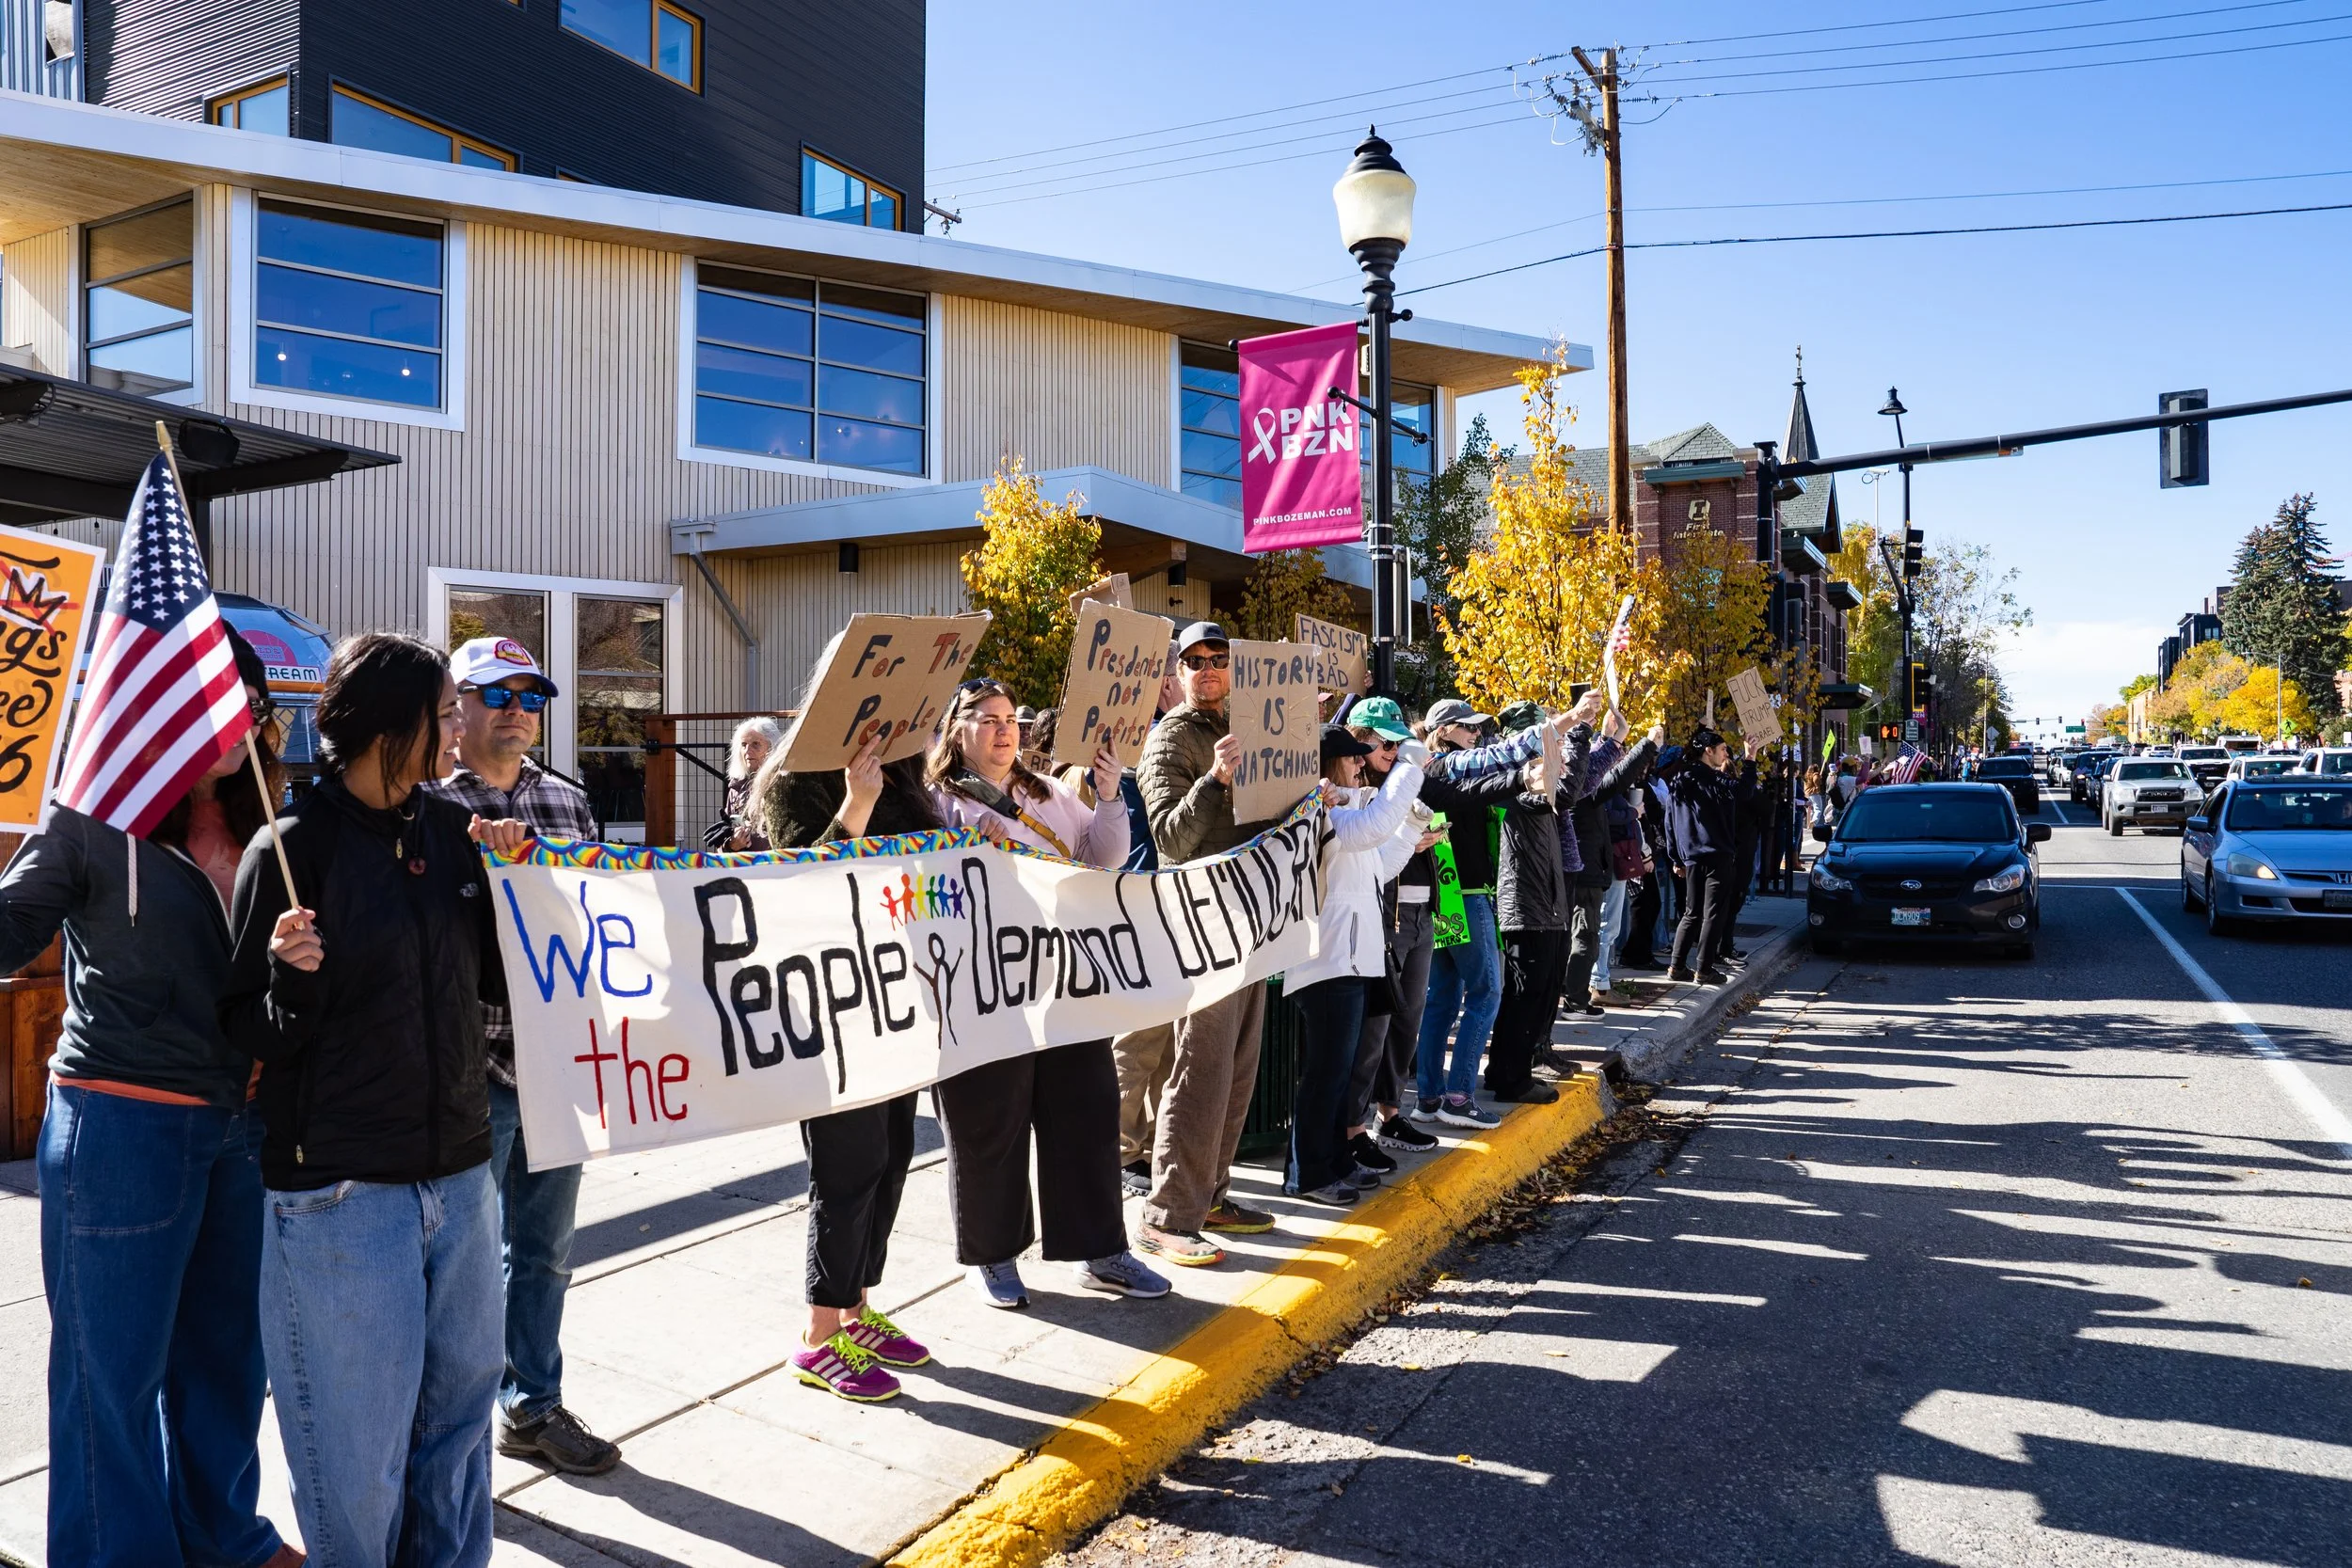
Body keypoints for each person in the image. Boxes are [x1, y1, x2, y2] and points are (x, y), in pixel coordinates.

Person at [220, 631, 530, 1566]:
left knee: (459, 1434)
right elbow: (247, 1035)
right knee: (357, 1464)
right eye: (441, 714)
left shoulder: (451, 835)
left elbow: (500, 987)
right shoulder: (287, 851)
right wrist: (290, 979)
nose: (456, 731)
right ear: (387, 726)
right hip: (344, 1201)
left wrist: (519, 890)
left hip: (464, 1179)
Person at [5, 633, 302, 1568]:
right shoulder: (88, 816)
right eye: (202, 699)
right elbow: (8, 932)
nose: (227, 720)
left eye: (242, 703)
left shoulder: (274, 825)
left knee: (226, 1359)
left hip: (243, 1126)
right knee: (111, 1373)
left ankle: (224, 1535)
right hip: (121, 1122)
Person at [423, 637, 619, 1477]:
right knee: (456, 1264)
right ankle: (445, 1427)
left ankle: (531, 1403)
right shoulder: (426, 805)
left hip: (559, 1064)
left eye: (531, 695)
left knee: (544, 1250)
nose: (516, 709)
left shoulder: (569, 802)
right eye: (496, 693)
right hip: (468, 1066)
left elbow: (601, 924)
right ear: (456, 706)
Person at [925, 679, 1171, 1307]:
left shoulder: (1049, 792)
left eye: (1011, 719)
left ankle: (1101, 1250)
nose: (1005, 730)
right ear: (957, 729)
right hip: (981, 993)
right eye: (988, 719)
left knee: (1085, 1115)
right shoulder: (937, 803)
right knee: (990, 1124)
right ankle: (991, 1255)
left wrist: (1111, 794)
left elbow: (1103, 854)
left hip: (1063, 983)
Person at [752, 670, 937, 1402]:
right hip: (830, 1000)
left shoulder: (900, 775)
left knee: (891, 1153)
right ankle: (819, 1332)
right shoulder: (794, 778)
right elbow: (797, 883)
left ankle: (856, 1308)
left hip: (896, 992)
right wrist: (854, 809)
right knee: (847, 1160)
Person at [1130, 622, 1278, 1267]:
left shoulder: (1248, 727)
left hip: (1251, 915)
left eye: (1219, 658)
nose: (1210, 669)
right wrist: (1214, 779)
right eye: (1197, 661)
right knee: (1200, 1069)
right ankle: (1167, 1213)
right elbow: (1169, 835)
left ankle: (1211, 1192)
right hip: (1200, 922)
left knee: (1237, 1070)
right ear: (1179, 673)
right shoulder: (1169, 740)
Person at [1410, 697, 1581, 1129]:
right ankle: (1458, 1096)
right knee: (1486, 994)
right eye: (1468, 727)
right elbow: (1484, 780)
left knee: (1443, 999)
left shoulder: (1440, 768)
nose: (1477, 734)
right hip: (1463, 895)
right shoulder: (1443, 767)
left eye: (1478, 728)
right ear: (1443, 730)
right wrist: (1556, 735)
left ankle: (1429, 1097)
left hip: (1448, 897)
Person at [1279, 725, 1426, 1205]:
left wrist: (1410, 827)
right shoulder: (1316, 812)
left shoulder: (1343, 812)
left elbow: (1379, 863)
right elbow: (1371, 830)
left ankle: (1336, 1162)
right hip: (1327, 961)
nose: (1362, 764)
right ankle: (1308, 1173)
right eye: (1354, 758)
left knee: (1338, 1072)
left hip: (1352, 960)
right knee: (1324, 1073)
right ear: (1330, 762)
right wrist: (1409, 766)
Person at [1339, 698, 1440, 1166]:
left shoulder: (1400, 783)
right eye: (1386, 741)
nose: (1395, 750)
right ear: (1359, 737)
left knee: (1406, 1018)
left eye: (1400, 741)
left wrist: (1421, 837)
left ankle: (1390, 1111)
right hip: (1377, 921)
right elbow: (1375, 849)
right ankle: (1353, 1127)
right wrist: (1406, 835)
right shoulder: (1354, 789)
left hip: (1417, 914)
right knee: (1371, 1028)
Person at [1486, 699, 1590, 1104]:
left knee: (1540, 993)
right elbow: (1558, 792)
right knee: (1524, 996)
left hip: (1543, 906)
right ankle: (1510, 1078)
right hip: (1525, 907)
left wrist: (1578, 737)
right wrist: (1576, 733)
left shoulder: (1539, 783)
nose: (1553, 759)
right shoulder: (1519, 783)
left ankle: (1509, 1071)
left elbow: (1565, 790)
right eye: (1545, 749)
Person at [1562, 716, 1661, 1013]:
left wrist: (1610, 737)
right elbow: (1613, 777)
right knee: (1585, 938)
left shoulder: (1577, 776)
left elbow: (1606, 770)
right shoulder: (1574, 781)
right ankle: (1576, 997)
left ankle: (1575, 994)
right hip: (1583, 868)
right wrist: (1647, 745)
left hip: (1588, 866)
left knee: (1587, 937)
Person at [1661, 727, 1757, 985]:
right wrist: (1750, 760)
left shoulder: (1679, 779)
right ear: (1709, 751)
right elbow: (1744, 792)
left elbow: (1669, 820)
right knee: (1713, 912)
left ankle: (1677, 966)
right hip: (1716, 853)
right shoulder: (1711, 779)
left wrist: (1675, 857)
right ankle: (1703, 969)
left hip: (1691, 855)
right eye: (1723, 749)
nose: (1726, 754)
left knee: (1691, 912)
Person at [705, 715, 781, 850]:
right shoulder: (736, 787)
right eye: (744, 745)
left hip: (778, 864)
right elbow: (724, 844)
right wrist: (730, 844)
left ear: (772, 748)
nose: (747, 751)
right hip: (744, 866)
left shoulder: (783, 783)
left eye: (755, 744)